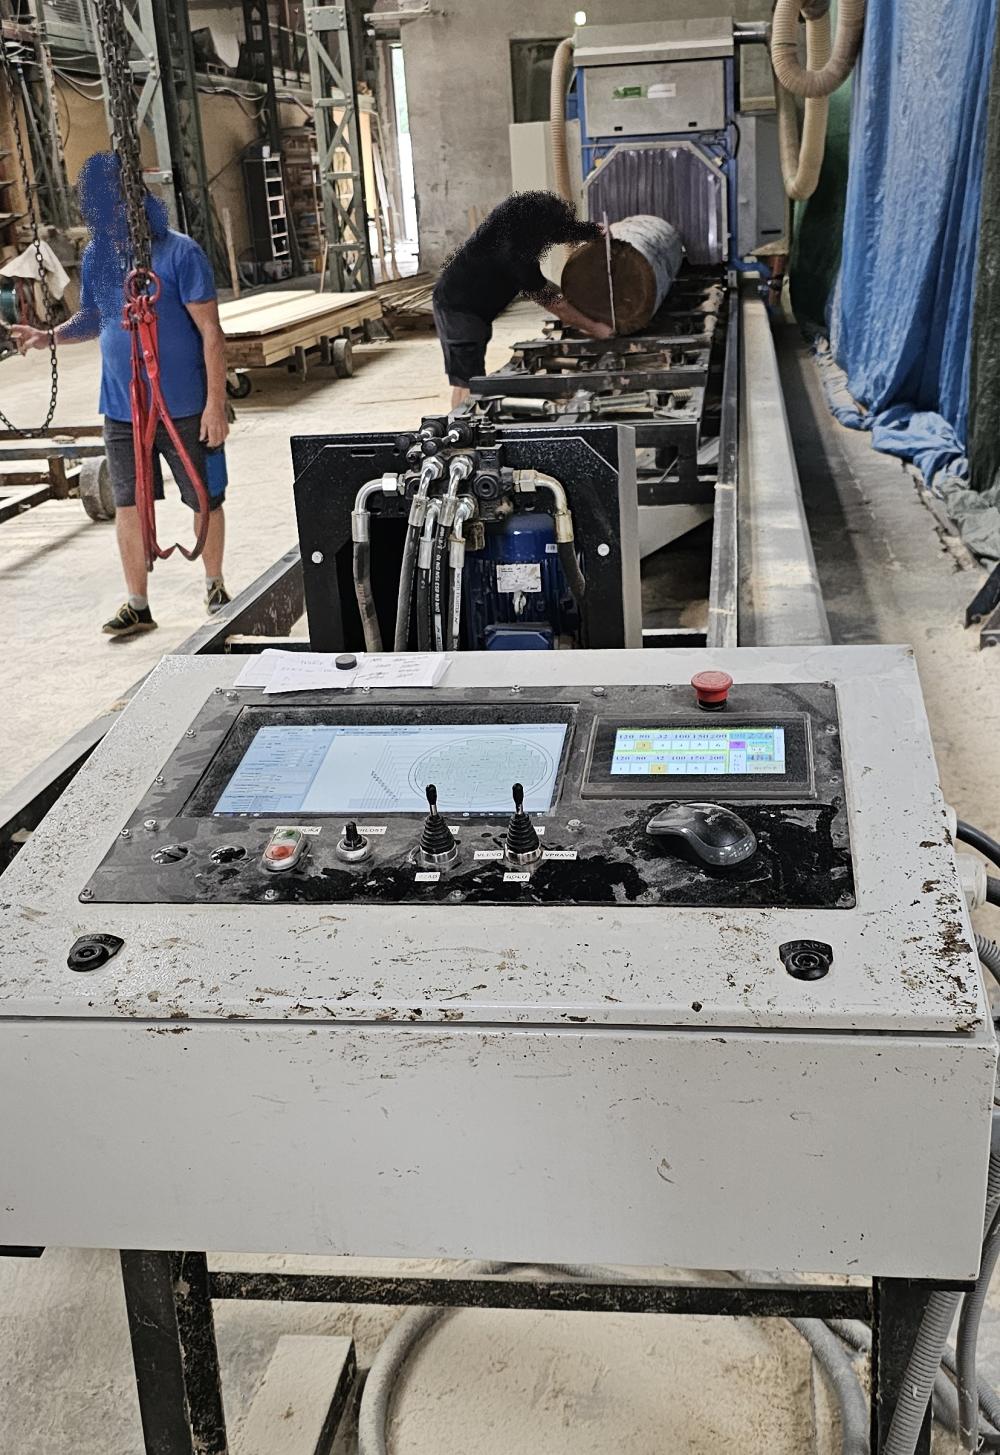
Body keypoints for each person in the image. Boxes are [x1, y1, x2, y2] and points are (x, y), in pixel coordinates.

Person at [12, 152, 231, 638]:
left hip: (185, 407)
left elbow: (211, 333)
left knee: (204, 496)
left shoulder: (181, 254)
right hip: (122, 408)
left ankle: (215, 585)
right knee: (128, 504)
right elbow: (94, 318)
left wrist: (216, 404)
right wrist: (47, 337)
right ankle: (138, 604)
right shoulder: (98, 256)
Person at [432, 190, 614, 409]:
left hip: (475, 306)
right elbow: (556, 305)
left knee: (473, 373)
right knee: (469, 381)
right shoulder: (515, 255)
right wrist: (595, 328)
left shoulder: (516, 215)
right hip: (458, 309)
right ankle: (460, 426)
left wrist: (593, 231)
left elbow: (557, 230)